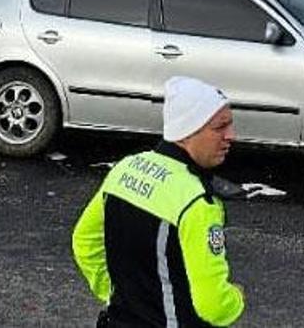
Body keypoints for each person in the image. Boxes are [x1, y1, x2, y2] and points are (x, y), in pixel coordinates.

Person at [72, 77, 245, 327]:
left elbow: (84, 242)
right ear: (187, 131)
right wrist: (236, 299)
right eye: (220, 127)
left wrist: (119, 295)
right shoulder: (197, 201)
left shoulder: (126, 168)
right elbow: (213, 305)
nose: (231, 135)